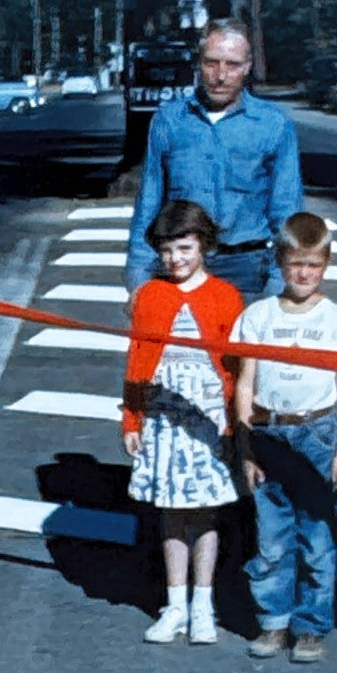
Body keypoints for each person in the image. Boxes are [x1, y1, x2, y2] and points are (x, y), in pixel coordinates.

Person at [122, 199, 246, 645]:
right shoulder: (151, 295)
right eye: (168, 250)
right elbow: (137, 359)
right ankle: (174, 604)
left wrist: (236, 427)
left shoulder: (225, 297)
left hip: (208, 418)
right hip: (163, 417)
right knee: (171, 512)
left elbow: (236, 367)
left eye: (185, 248)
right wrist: (131, 419)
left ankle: (203, 604)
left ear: (205, 247)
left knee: (205, 511)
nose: (176, 259)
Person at [233, 213, 337, 664]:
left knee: (317, 536)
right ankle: (273, 621)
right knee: (272, 537)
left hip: (317, 431)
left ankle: (312, 626)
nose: (304, 274)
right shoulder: (257, 316)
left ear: (325, 265)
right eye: (296, 263)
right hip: (269, 430)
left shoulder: (333, 319)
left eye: (314, 265)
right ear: (280, 261)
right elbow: (246, 382)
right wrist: (245, 446)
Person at [125, 18, 304, 302]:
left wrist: (279, 280)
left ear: (247, 67)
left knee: (238, 348)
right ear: (198, 63)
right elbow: (149, 203)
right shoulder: (169, 121)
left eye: (232, 65)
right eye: (211, 62)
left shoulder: (273, 125)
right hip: (179, 265)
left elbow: (287, 211)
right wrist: (138, 278)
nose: (221, 75)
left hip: (247, 269)